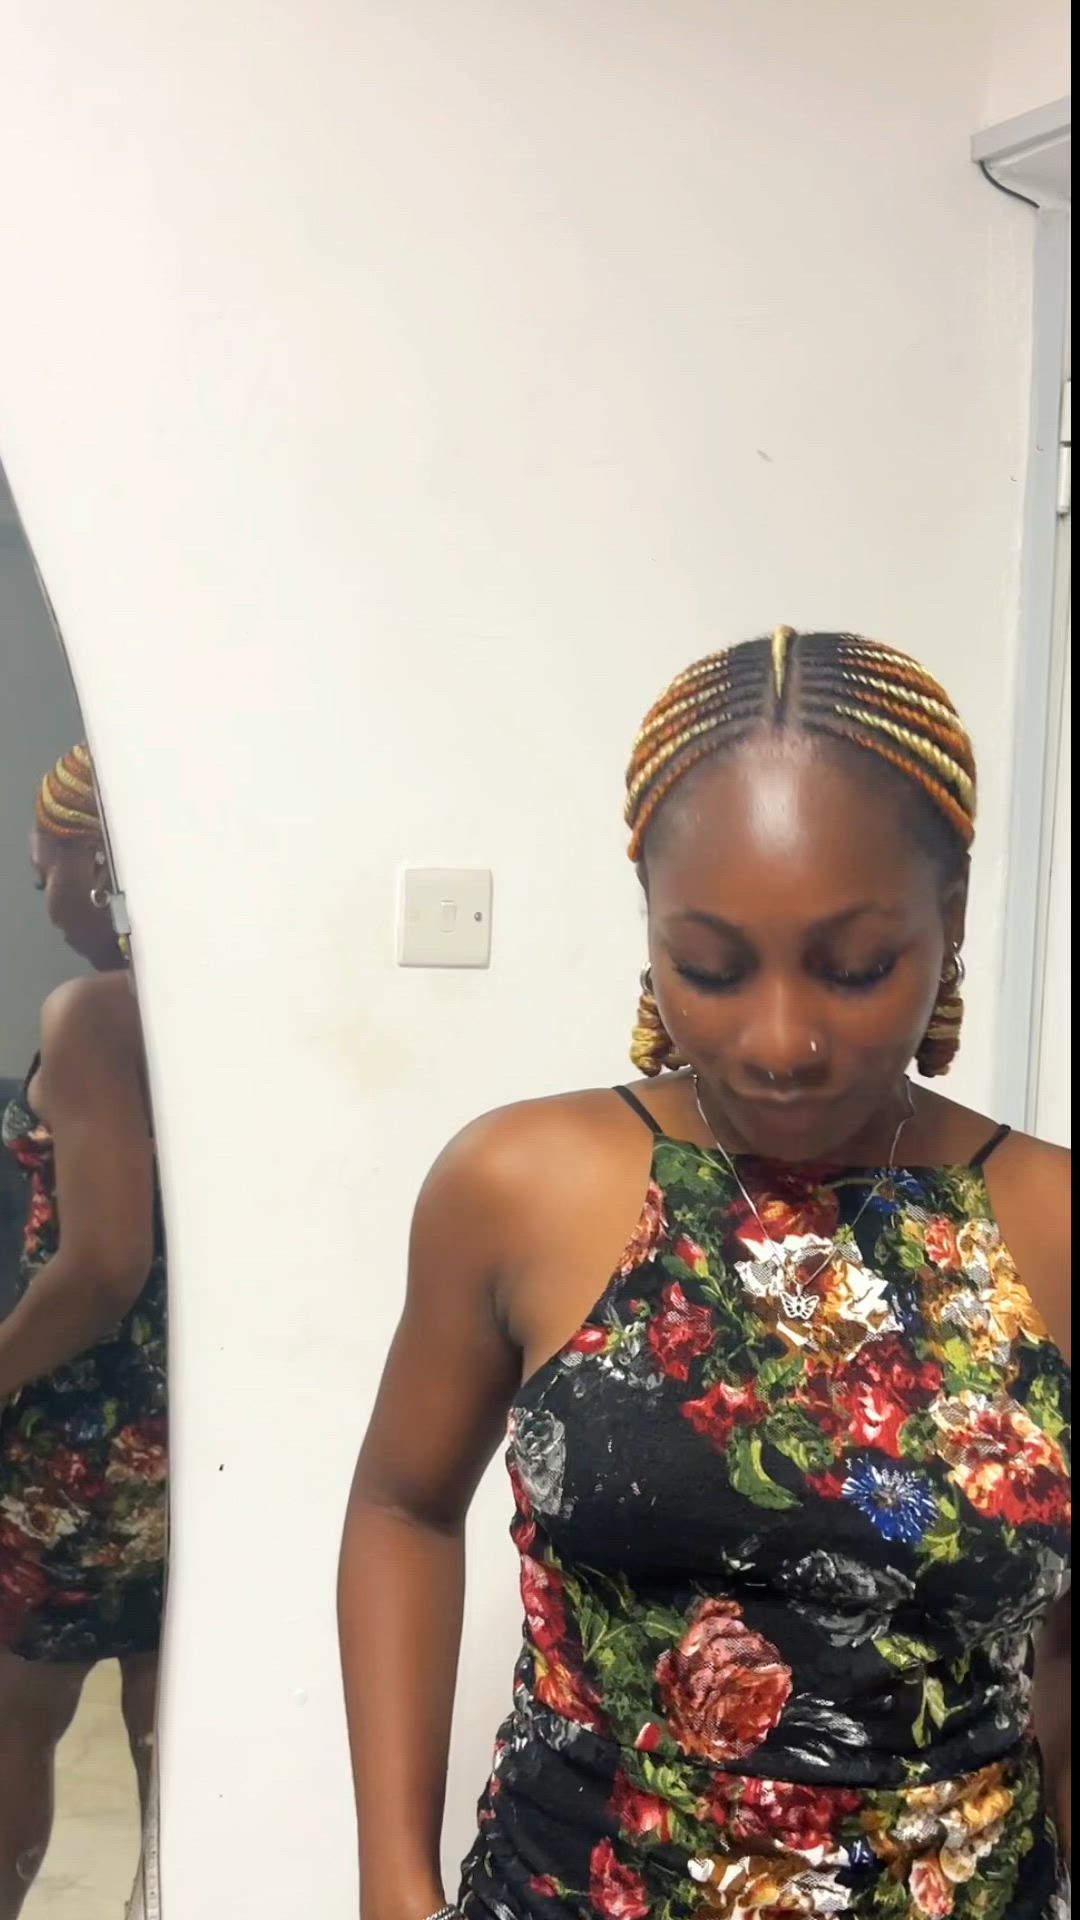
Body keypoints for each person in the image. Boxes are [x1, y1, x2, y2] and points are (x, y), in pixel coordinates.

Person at [339, 631, 1071, 1920]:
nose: (781, 1039)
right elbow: (401, 1508)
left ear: (951, 919)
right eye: (713, 969)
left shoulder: (1051, 1225)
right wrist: (391, 1885)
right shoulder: (524, 1188)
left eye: (855, 967)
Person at [0, 745, 167, 1919]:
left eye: (42, 867)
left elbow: (105, 1266)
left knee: (15, 1721)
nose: (42, 896)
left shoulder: (97, 1014)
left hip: (82, 1440)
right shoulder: (212, 1008)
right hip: (196, 1427)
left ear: (93, 857)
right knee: (170, 1726)